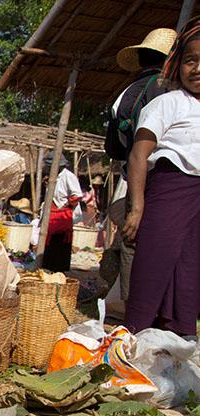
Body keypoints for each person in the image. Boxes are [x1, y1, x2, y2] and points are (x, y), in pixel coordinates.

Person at [123, 18, 200, 339]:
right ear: (177, 64)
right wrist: (137, 208)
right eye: (191, 60)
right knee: (154, 260)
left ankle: (180, 334)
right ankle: (137, 333)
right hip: (168, 190)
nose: (197, 69)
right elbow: (138, 154)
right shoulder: (167, 103)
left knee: (190, 267)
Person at [101, 28, 176, 302]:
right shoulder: (170, 91)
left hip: (129, 176)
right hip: (161, 179)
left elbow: (113, 148)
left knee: (133, 243)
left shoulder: (125, 93)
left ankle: (134, 307)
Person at [43, 164, 82, 273]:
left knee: (61, 242)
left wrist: (66, 206)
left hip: (62, 213)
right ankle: (49, 267)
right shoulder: (53, 177)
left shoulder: (68, 176)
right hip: (53, 212)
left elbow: (77, 195)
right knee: (50, 242)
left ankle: (59, 269)